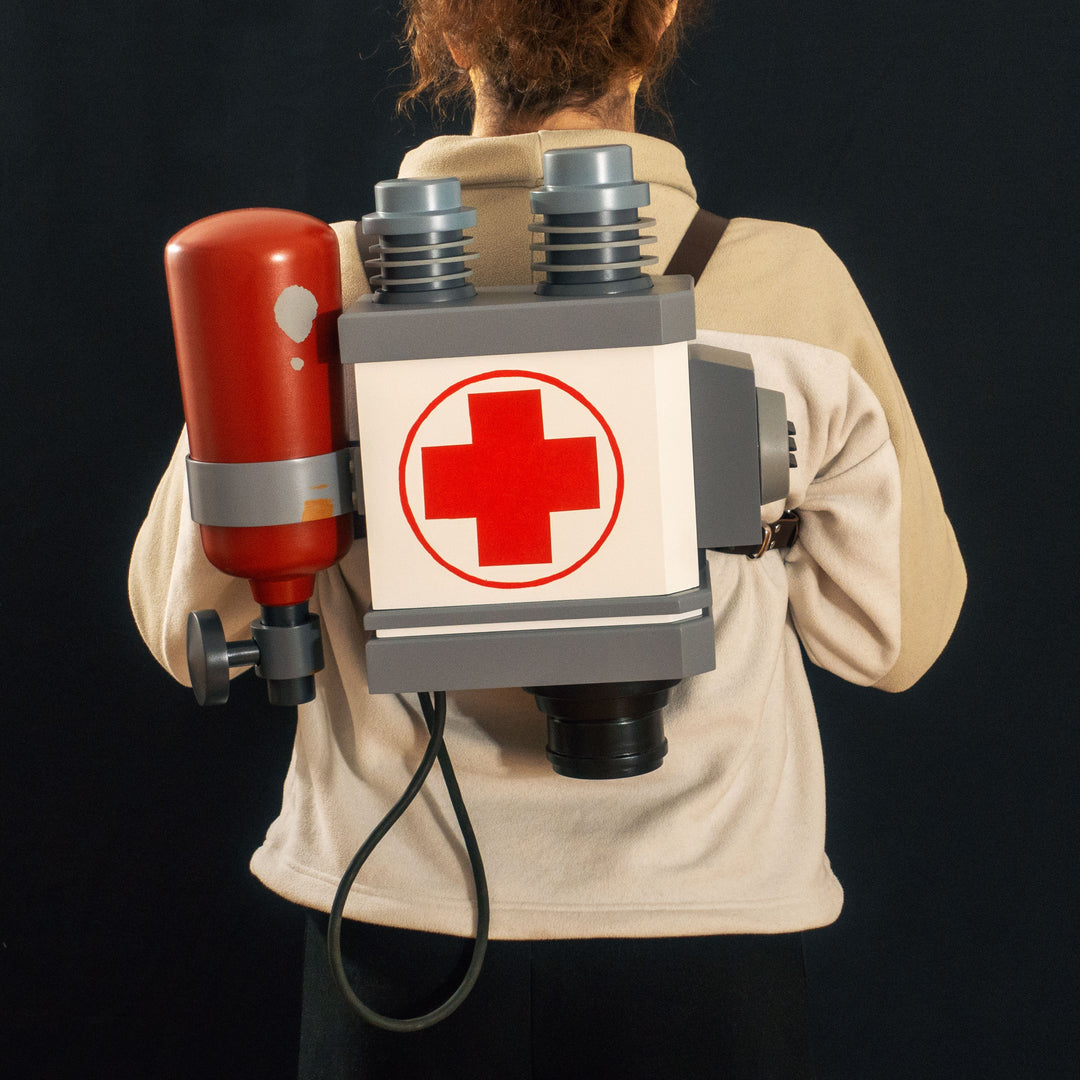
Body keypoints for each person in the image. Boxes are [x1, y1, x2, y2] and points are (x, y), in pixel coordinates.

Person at [130, 1, 966, 1076]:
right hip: (701, 942)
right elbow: (897, 638)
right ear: (657, 17)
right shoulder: (786, 286)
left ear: (447, 28)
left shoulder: (306, 293)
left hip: (398, 941)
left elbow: (183, 620)